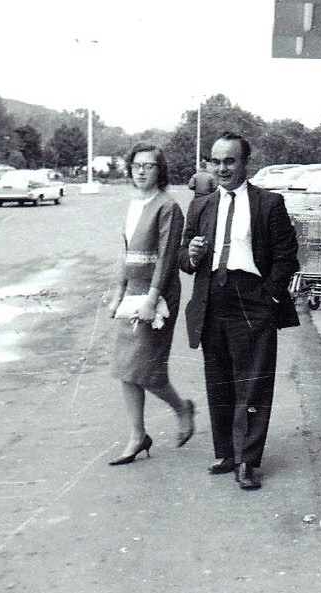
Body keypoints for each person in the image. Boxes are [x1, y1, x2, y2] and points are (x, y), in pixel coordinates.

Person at [178, 132, 299, 490]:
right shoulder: (200, 205)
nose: (222, 168)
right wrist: (194, 254)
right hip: (212, 299)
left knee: (253, 383)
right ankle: (226, 453)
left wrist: (267, 295)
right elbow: (184, 259)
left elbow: (286, 256)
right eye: (215, 161)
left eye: (229, 161)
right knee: (219, 381)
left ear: (246, 164)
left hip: (252, 300)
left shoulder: (269, 204)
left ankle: (248, 460)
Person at [107, 143, 195, 465]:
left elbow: (167, 259)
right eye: (136, 165)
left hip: (156, 295)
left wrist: (151, 299)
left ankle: (182, 408)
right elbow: (125, 251)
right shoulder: (133, 204)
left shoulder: (168, 206)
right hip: (132, 292)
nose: (141, 171)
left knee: (146, 369)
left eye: (149, 166)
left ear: (161, 170)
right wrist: (118, 292)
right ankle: (137, 435)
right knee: (125, 368)